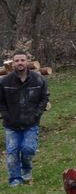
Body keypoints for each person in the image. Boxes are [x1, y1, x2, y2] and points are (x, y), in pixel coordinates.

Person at [1, 50, 50, 186]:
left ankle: (26, 171)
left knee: (28, 149)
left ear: (27, 62)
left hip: (31, 123)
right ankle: (15, 180)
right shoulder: (5, 81)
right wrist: (6, 116)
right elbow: (1, 101)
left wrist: (36, 115)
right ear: (13, 63)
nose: (20, 63)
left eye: (22, 60)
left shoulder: (38, 79)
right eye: (17, 61)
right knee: (12, 153)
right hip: (11, 124)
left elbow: (44, 98)